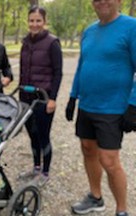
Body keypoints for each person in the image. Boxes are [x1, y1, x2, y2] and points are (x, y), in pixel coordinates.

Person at [65, 1, 136, 215]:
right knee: (87, 149)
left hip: (112, 109)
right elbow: (82, 66)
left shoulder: (131, 27)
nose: (102, 2)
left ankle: (121, 210)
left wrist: (133, 105)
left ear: (119, 1)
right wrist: (72, 97)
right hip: (87, 105)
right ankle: (96, 197)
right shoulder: (89, 31)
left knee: (109, 161)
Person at [17, 6, 62, 186]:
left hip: (43, 98)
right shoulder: (25, 42)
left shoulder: (52, 43)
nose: (34, 24)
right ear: (28, 22)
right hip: (25, 97)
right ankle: (36, 167)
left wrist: (53, 98)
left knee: (43, 135)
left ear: (44, 22)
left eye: (38, 20)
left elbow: (58, 73)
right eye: (31, 20)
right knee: (32, 135)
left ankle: (45, 171)